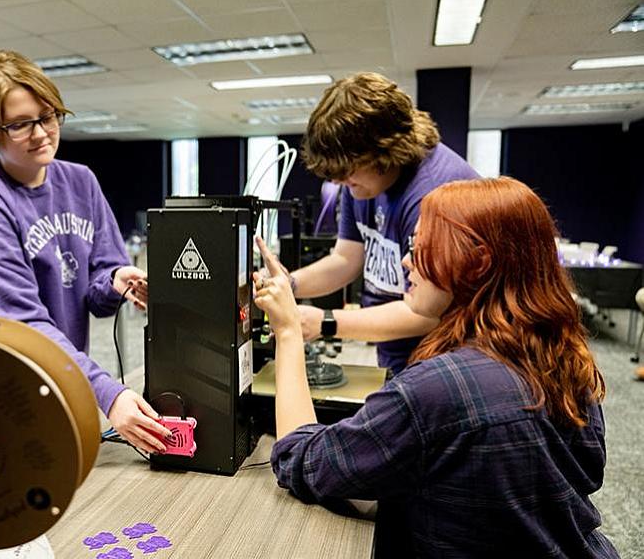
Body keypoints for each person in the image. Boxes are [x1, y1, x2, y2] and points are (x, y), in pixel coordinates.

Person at [252, 177, 618, 558]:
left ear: (477, 260)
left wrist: (288, 331)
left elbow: (302, 459)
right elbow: (590, 471)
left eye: (422, 247)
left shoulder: (435, 391)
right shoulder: (567, 359)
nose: (407, 260)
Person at [0, 50, 171, 454]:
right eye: (20, 124)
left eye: (48, 115)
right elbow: (21, 324)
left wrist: (114, 281)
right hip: (1, 389)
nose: (41, 133)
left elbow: (98, 289)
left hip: (63, 376)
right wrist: (108, 393)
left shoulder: (80, 181)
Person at [287, 72, 479, 374]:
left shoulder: (436, 194)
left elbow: (426, 313)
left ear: (385, 151)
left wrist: (325, 322)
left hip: (444, 362)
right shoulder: (360, 183)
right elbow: (346, 259)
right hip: (396, 354)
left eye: (347, 170)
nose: (338, 181)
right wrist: (289, 285)